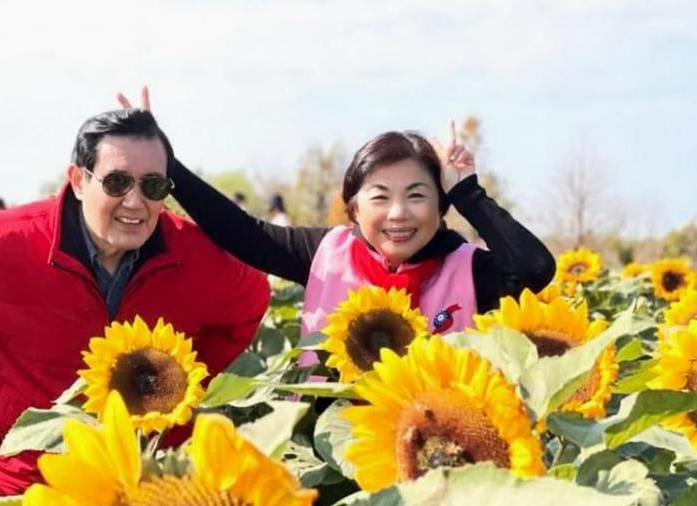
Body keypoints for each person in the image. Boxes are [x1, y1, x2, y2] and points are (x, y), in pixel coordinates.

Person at [0, 108, 270, 495]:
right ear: (77, 180)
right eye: (116, 182)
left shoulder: (193, 255)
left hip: (151, 483)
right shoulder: (0, 246)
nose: (135, 201)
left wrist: (177, 381)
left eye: (153, 185)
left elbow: (250, 299)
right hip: (24, 483)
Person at [119, 89, 554, 340]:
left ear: (442, 207)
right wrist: (166, 166)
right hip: (328, 460)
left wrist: (467, 190)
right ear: (354, 207)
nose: (398, 213)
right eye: (380, 196)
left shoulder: (466, 270)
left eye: (418, 195)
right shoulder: (327, 254)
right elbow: (241, 232)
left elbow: (534, 269)